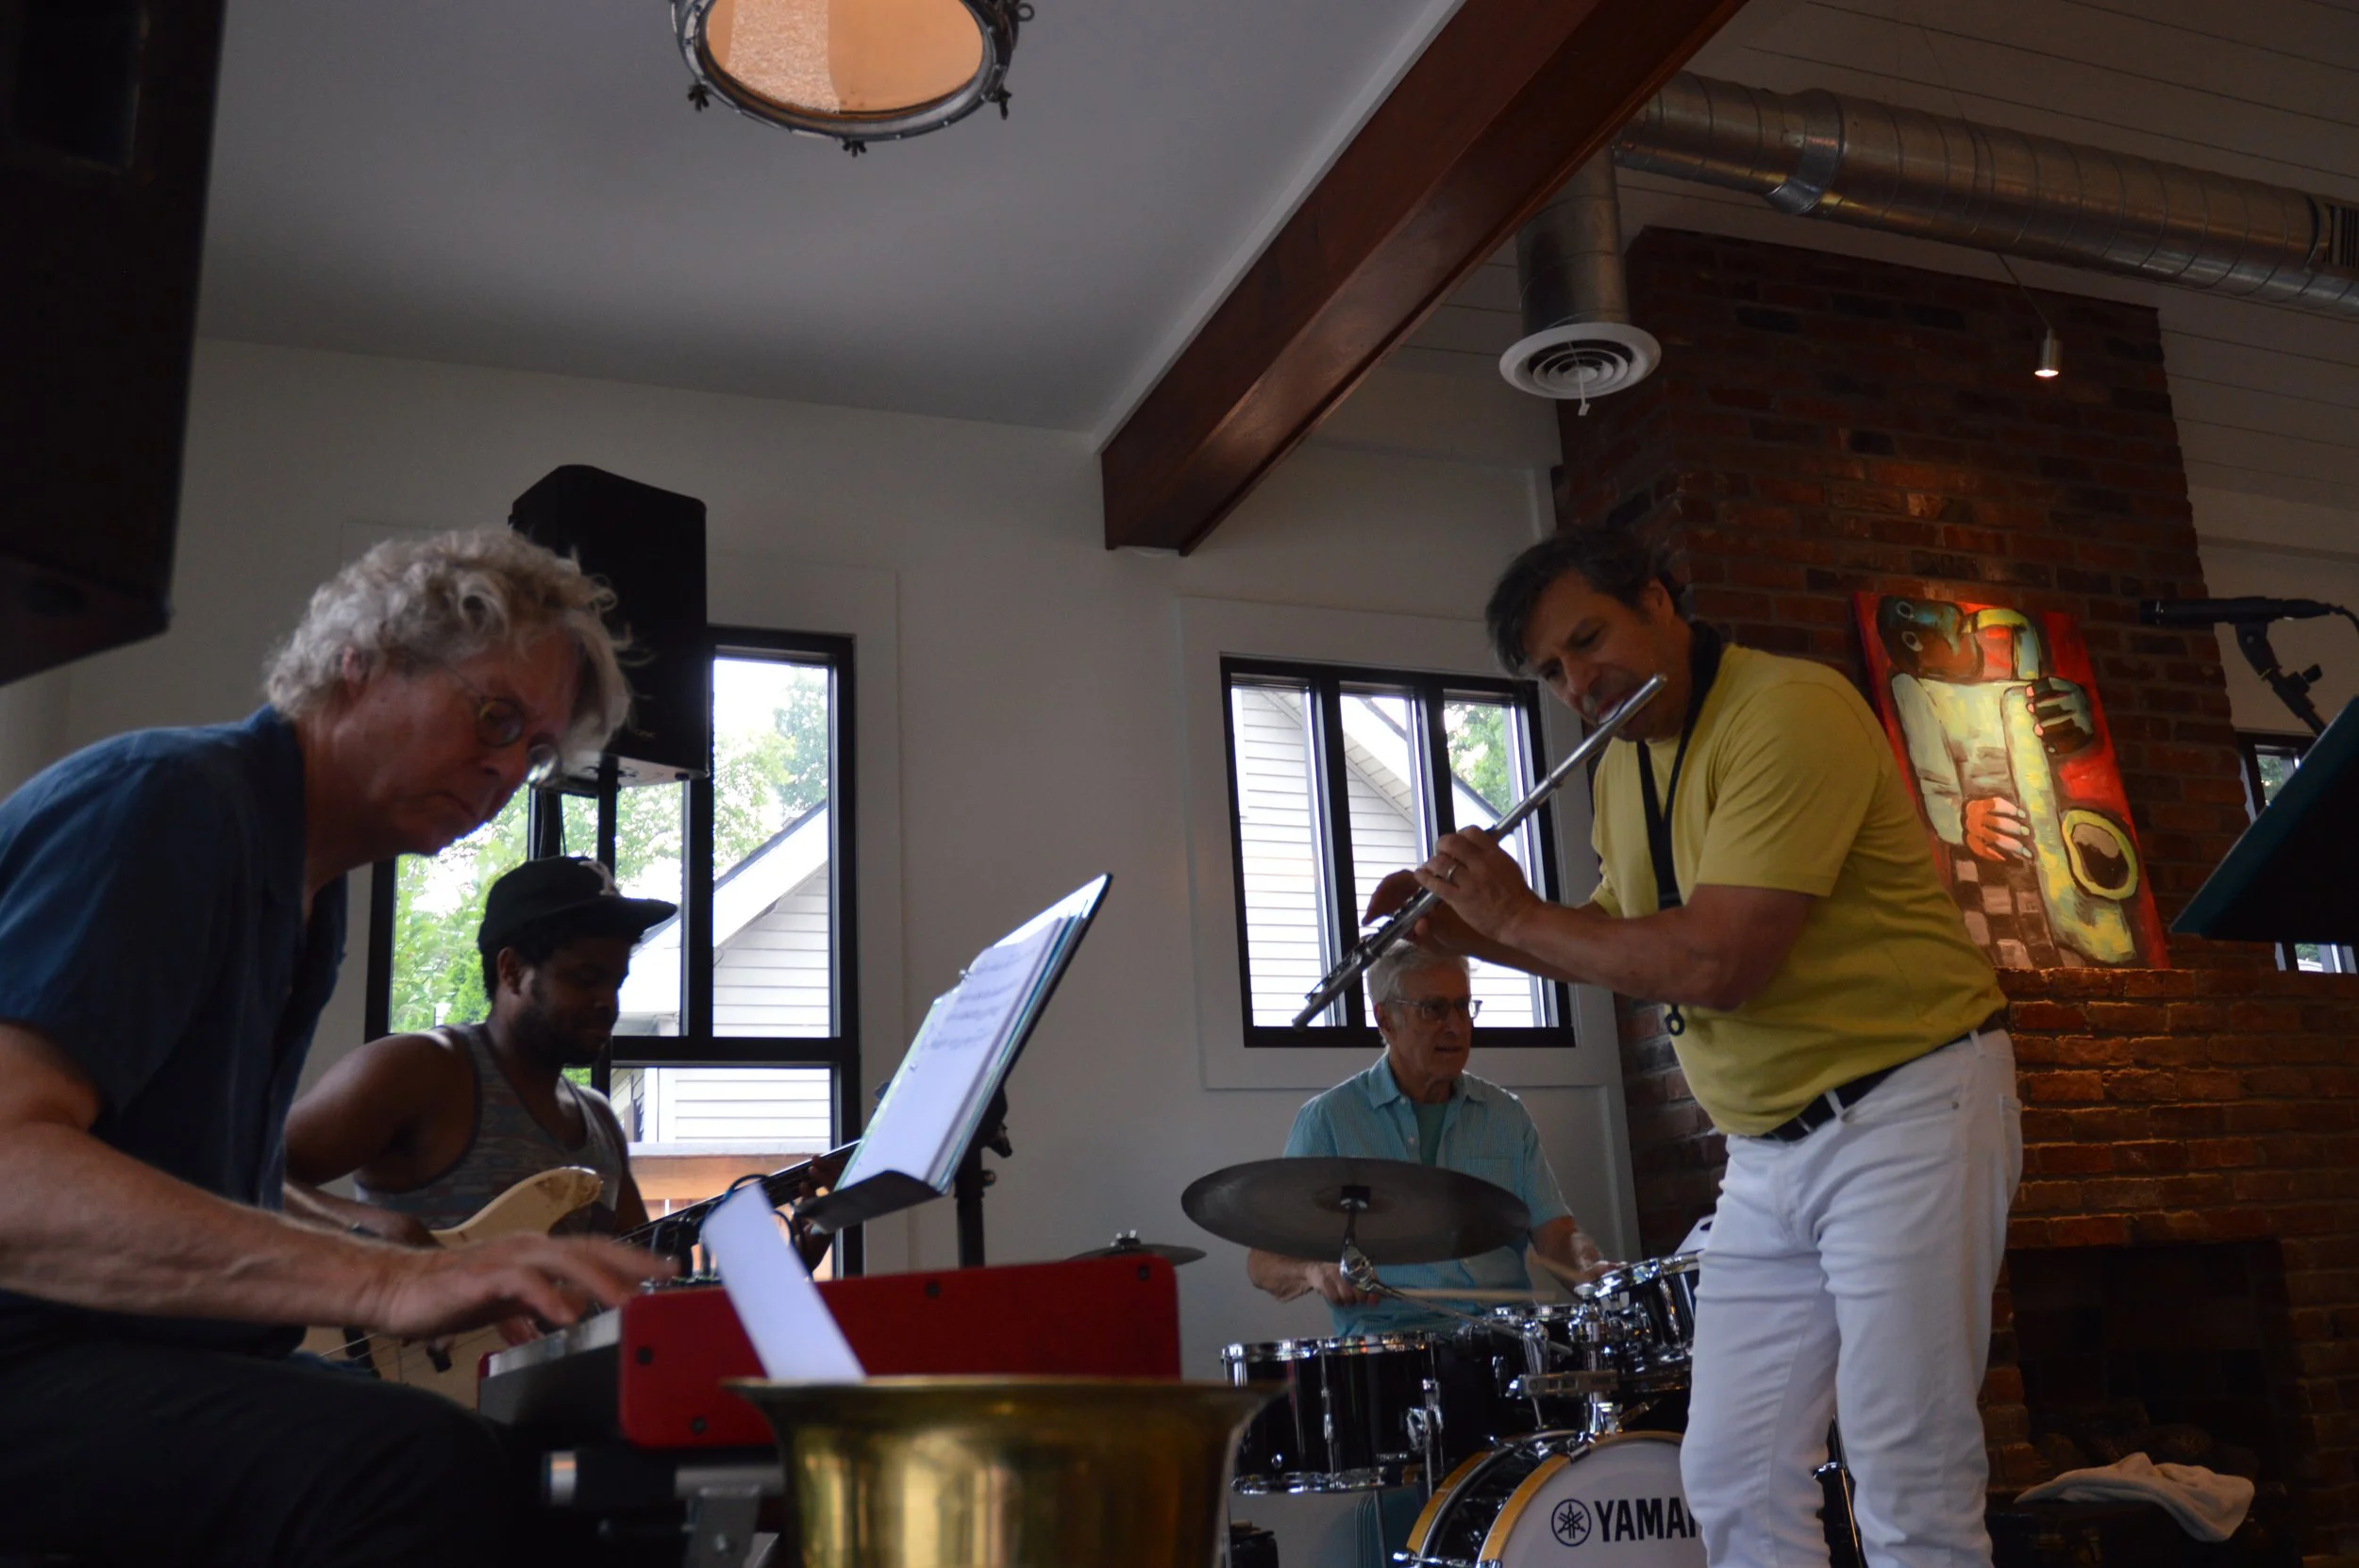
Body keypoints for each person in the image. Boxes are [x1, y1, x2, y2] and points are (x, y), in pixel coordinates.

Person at [0, 528, 675, 1568]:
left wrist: (401, 1260)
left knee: (558, 1478)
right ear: (361, 662)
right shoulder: (172, 804)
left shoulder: (307, 894)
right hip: (36, 1357)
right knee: (418, 1468)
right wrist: (382, 1283)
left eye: (533, 753)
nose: (506, 769)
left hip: (137, 1353)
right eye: (494, 716)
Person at [1369, 529, 2017, 1568]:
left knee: (1907, 1472)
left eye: (1589, 641)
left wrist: (1517, 914)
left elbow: (1719, 963)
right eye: (1553, 671)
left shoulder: (1788, 710)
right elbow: (1620, 939)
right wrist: (1469, 931)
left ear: (1659, 601)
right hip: (1766, 1151)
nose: (1579, 685)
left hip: (1905, 1110)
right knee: (1730, 1474)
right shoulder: (1623, 766)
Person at [286, 857, 674, 1247]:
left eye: (616, 982)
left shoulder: (600, 1121)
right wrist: (370, 1227)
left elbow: (644, 1263)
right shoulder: (417, 1071)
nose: (608, 1003)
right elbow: (254, 1174)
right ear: (512, 970)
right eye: (586, 979)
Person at [1246, 945, 1600, 1328]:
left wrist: (1592, 1270)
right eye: (1434, 1009)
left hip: (1506, 1337)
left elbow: (1555, 1236)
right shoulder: (1328, 1120)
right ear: (1385, 1019)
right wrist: (1314, 1271)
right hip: (1390, 1346)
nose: (1456, 1026)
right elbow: (1263, 1262)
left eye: (1463, 1007)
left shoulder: (1506, 1115)